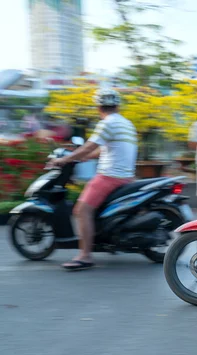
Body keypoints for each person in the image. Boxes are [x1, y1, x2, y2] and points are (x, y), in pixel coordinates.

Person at [49, 89, 138, 270]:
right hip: (126, 176)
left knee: (81, 210)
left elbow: (89, 145)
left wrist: (64, 159)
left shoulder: (107, 123)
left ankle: (85, 255)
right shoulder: (125, 123)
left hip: (110, 176)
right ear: (117, 106)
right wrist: (87, 157)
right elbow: (108, 148)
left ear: (98, 107)